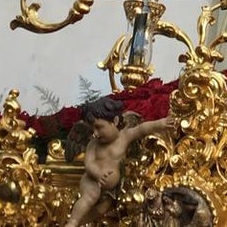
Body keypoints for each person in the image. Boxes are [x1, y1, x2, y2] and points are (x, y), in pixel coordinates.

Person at [63, 96, 175, 227]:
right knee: (90, 197)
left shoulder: (124, 137)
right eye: (93, 128)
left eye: (99, 127)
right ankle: (72, 222)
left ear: (115, 121)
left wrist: (160, 123)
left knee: (101, 209)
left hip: (112, 190)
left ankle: (80, 222)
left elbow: (142, 129)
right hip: (92, 181)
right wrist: (98, 174)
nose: (95, 133)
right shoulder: (93, 144)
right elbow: (88, 163)